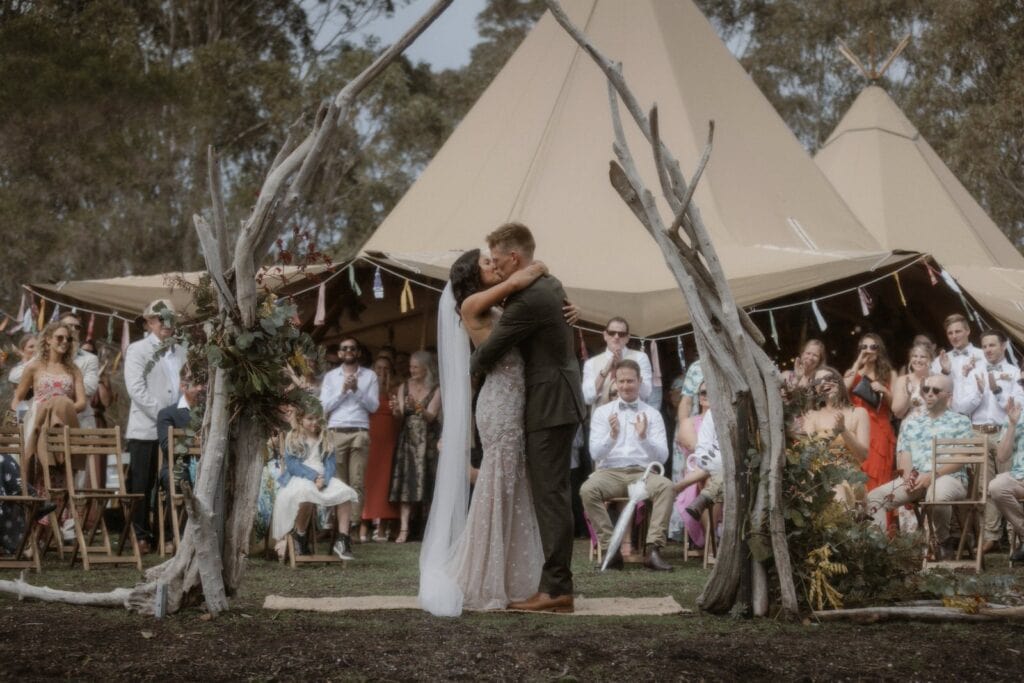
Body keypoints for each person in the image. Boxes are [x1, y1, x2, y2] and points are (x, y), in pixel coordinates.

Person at [469, 222, 586, 613]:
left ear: (515, 257)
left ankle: (556, 590)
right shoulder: (548, 285)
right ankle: (552, 583)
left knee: (550, 494)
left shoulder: (531, 297)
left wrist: (470, 361)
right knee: (549, 492)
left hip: (549, 403)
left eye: (499, 261)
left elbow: (489, 353)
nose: (497, 267)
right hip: (552, 399)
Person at [582, 360, 673, 571]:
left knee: (666, 486)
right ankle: (610, 550)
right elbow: (595, 453)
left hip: (642, 473)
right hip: (610, 472)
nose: (625, 386)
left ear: (640, 382)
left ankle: (653, 551)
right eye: (621, 381)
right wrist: (611, 436)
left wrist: (644, 438)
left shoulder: (652, 414)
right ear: (615, 382)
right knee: (587, 490)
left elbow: (663, 457)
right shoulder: (602, 413)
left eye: (630, 381)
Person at [865, 374, 970, 554]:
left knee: (937, 492)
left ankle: (943, 542)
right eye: (925, 389)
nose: (929, 394)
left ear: (948, 395)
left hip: (948, 478)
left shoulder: (961, 421)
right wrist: (909, 479)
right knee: (875, 497)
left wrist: (932, 476)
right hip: (917, 479)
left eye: (935, 390)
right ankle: (878, 551)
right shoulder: (911, 423)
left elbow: (961, 458)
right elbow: (905, 457)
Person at [124, 299, 186, 553]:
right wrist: (163, 416)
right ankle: (140, 534)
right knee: (142, 483)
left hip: (177, 430)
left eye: (170, 318)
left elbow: (187, 385)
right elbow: (136, 389)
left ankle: (170, 534)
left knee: (174, 481)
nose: (166, 323)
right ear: (149, 322)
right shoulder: (137, 350)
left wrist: (181, 416)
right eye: (160, 318)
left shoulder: (182, 350)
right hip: (146, 428)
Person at [950, 329, 1020, 553]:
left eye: (992, 345)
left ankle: (1015, 535)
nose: (988, 350)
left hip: (1004, 432)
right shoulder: (974, 372)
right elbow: (960, 407)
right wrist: (979, 393)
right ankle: (991, 536)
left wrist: (997, 390)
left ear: (1004, 345)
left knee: (1007, 484)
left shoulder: (1015, 372)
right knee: (984, 487)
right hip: (978, 432)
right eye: (985, 346)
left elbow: (1015, 409)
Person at [272, 404, 358, 561]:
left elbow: (330, 463)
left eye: (317, 418)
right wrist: (313, 477)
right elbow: (292, 465)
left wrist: (324, 479)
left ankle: (343, 539)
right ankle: (300, 535)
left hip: (324, 476)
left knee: (345, 493)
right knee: (305, 494)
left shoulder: (325, 436)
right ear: (300, 419)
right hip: (301, 476)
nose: (314, 422)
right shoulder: (294, 436)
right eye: (310, 419)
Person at [319, 336, 379, 538]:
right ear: (339, 353)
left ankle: (352, 527)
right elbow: (324, 407)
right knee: (338, 482)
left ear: (358, 352)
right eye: (344, 348)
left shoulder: (369, 376)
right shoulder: (330, 377)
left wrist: (357, 390)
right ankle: (338, 527)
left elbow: (374, 406)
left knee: (358, 481)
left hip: (359, 430)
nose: (348, 351)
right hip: (336, 430)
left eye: (352, 348)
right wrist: (343, 391)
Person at [11, 321, 86, 476]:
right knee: (35, 464)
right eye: (60, 338)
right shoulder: (34, 367)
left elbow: (82, 402)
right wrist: (20, 418)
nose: (65, 342)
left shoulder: (74, 369)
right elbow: (18, 397)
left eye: (68, 339)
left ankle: (61, 494)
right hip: (37, 417)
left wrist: (62, 407)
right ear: (48, 339)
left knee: (61, 402)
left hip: (64, 419)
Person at [793, 367, 871, 509]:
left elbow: (863, 455)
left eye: (829, 378)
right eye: (819, 381)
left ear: (839, 381)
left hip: (850, 476)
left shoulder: (859, 413)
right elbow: (808, 453)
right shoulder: (812, 416)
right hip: (820, 475)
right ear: (816, 390)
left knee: (837, 489)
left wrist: (843, 431)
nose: (825, 383)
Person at [388, 350, 442, 543]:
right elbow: (402, 414)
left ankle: (427, 529)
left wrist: (418, 406)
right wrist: (395, 409)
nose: (411, 370)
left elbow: (431, 416)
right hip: (408, 440)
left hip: (427, 440)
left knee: (428, 483)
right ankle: (404, 529)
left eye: (415, 367)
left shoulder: (436, 388)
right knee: (406, 483)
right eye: (410, 367)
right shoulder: (404, 386)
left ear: (426, 369)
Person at [156, 368, 204, 553]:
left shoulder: (209, 412)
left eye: (202, 383)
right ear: (183, 386)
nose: (201, 388)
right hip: (178, 464)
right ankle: (175, 537)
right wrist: (193, 441)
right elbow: (167, 445)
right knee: (175, 479)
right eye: (196, 384)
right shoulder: (168, 414)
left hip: (204, 465)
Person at [843, 333, 897, 493]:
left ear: (879, 350)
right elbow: (841, 390)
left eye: (873, 347)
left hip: (880, 430)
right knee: (858, 475)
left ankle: (880, 518)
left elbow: (896, 408)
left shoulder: (889, 374)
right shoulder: (853, 372)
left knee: (879, 476)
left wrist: (885, 391)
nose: (868, 350)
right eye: (864, 347)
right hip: (857, 429)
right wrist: (857, 364)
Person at [362, 355, 400, 542]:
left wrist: (397, 409)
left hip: (388, 437)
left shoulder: (395, 389)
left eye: (386, 368)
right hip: (370, 435)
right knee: (367, 479)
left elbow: (401, 417)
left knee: (385, 480)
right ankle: (363, 525)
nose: (382, 372)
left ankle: (383, 525)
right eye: (378, 368)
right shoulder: (365, 387)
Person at [581, 317, 653, 407]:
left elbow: (646, 394)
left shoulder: (640, 357)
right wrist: (605, 371)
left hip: (633, 417)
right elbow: (588, 398)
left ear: (627, 338)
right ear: (605, 335)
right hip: (602, 419)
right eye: (612, 333)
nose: (616, 337)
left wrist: (622, 366)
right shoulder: (591, 363)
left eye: (621, 334)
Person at [671, 381, 709, 546]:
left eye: (711, 391)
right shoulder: (689, 423)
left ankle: (713, 545)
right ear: (699, 398)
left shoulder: (727, 422)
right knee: (706, 481)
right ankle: (712, 544)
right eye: (703, 392)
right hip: (696, 475)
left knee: (713, 481)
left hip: (722, 474)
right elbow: (698, 451)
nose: (707, 396)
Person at [988, 397, 1024, 563]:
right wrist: (1012, 424)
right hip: (1019, 477)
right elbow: (1002, 456)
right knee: (997, 485)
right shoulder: (1017, 414)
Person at [931, 313, 985, 404]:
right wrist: (945, 372)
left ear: (967, 331)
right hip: (951, 412)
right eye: (950, 333)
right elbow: (934, 390)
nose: (954, 336)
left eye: (958, 331)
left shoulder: (983, 355)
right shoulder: (939, 361)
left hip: (981, 412)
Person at [58, 312, 99, 428]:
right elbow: (15, 376)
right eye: (69, 325)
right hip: (50, 420)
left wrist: (53, 388)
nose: (74, 329)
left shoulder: (90, 358)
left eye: (77, 327)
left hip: (82, 421)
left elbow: (90, 388)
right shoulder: (46, 357)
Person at [892, 343, 934, 420]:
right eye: (915, 356)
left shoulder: (937, 379)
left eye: (923, 357)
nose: (918, 360)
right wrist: (908, 396)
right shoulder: (902, 380)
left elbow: (944, 408)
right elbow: (897, 413)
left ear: (930, 359)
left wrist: (924, 395)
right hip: (911, 425)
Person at [6, 334, 37, 423]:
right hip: (19, 409)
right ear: (23, 350)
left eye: (38, 347)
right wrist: (33, 359)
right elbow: (14, 377)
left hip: (36, 410)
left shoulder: (41, 366)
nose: (35, 350)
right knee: (14, 433)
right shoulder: (17, 368)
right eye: (31, 347)